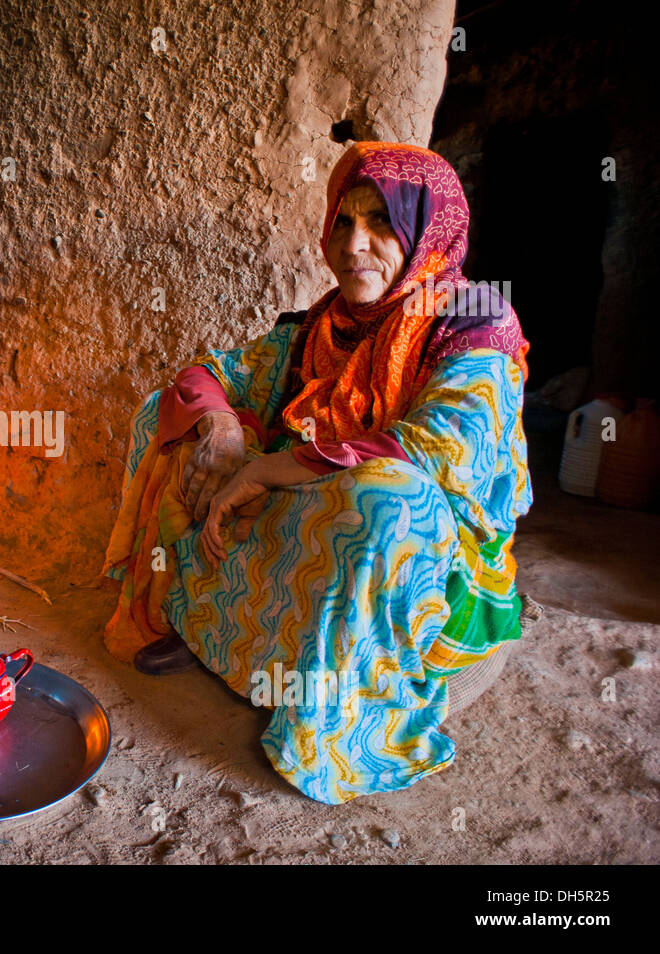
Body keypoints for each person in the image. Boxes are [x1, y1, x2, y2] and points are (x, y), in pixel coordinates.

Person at [102, 142, 532, 804]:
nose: (354, 244)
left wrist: (276, 468)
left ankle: (346, 717)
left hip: (433, 555)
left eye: (381, 222)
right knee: (174, 422)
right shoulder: (321, 327)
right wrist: (220, 429)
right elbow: (204, 376)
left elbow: (447, 448)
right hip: (319, 494)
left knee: (384, 504)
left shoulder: (472, 319)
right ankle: (203, 626)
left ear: (426, 232)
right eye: (343, 221)